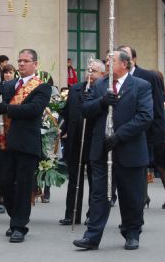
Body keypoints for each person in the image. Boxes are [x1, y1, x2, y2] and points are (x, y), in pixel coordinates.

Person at [73, 49, 152, 251]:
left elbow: (145, 116)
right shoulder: (100, 85)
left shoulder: (141, 86)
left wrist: (119, 136)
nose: (107, 64)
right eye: (106, 61)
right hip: (101, 150)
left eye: (112, 61)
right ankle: (92, 236)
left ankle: (132, 233)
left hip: (129, 150)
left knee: (131, 196)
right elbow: (84, 109)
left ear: (125, 64)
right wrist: (101, 102)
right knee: (99, 195)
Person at [0, 49, 51, 243]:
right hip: (6, 142)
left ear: (36, 64)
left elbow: (33, 110)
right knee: (4, 183)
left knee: (23, 187)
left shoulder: (42, 87)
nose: (22, 64)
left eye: (26, 61)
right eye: (19, 61)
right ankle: (14, 216)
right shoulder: (9, 85)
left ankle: (19, 226)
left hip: (26, 144)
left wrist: (8, 109)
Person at [119, 45, 165, 208]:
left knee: (146, 168)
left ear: (133, 59)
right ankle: (139, 198)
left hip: (146, 131)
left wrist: (160, 131)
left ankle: (155, 198)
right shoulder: (113, 78)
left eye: (127, 55)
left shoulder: (148, 76)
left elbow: (158, 107)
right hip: (122, 133)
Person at [59, 59, 105, 225]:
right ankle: (72, 214)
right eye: (88, 70)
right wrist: (61, 130)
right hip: (75, 139)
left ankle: (92, 215)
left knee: (95, 181)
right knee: (74, 180)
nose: (90, 74)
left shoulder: (104, 90)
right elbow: (67, 113)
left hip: (94, 140)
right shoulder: (76, 88)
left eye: (94, 71)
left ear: (102, 74)